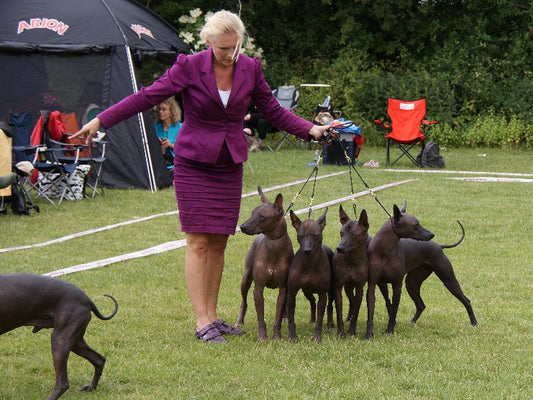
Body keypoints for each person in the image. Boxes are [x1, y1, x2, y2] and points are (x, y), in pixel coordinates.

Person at [72, 10, 329, 343]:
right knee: (198, 242)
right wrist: (101, 121)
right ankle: (201, 320)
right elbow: (146, 96)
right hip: (193, 163)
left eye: (235, 48)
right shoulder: (189, 66)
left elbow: (273, 111)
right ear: (209, 43)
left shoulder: (250, 68)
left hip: (228, 163)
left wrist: (310, 129)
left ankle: (214, 315)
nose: (230, 55)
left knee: (220, 241)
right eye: (223, 49)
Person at [154, 97, 182, 168]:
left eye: (164, 109)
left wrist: (171, 145)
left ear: (171, 112)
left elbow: (188, 149)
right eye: (159, 109)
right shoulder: (155, 127)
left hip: (178, 165)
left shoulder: (181, 128)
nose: (160, 112)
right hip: (160, 164)